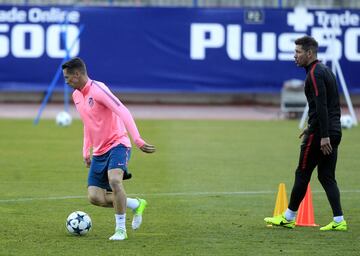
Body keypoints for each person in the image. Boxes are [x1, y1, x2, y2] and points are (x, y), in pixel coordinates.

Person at [62, 57, 156, 240]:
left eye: (67, 77)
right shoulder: (76, 95)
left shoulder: (98, 90)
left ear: (77, 74)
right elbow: (87, 123)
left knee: (114, 180)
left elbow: (123, 111)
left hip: (118, 143)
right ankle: (136, 204)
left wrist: (137, 139)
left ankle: (121, 230)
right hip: (99, 150)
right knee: (95, 197)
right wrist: (85, 149)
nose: (65, 81)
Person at [264, 36, 347, 231]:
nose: (295, 56)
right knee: (327, 176)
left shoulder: (315, 74)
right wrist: (313, 128)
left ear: (309, 53)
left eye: (298, 52)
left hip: (322, 134)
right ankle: (338, 220)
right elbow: (330, 106)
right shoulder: (325, 70)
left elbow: (322, 105)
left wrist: (322, 134)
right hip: (334, 131)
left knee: (302, 173)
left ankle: (288, 217)